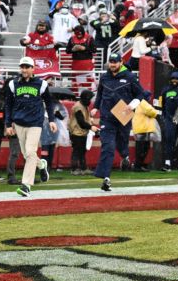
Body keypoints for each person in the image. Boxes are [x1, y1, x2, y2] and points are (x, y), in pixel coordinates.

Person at [3, 56, 59, 197]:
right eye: (22, 66)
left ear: (33, 69)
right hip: (19, 123)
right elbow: (8, 105)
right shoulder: (12, 84)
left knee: (29, 152)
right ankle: (41, 165)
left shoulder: (42, 84)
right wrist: (8, 124)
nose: (24, 69)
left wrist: (51, 120)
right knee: (27, 154)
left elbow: (49, 103)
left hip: (35, 123)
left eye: (27, 67)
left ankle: (26, 185)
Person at [93, 52, 146, 191]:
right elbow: (99, 94)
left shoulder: (129, 77)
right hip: (107, 117)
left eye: (115, 62)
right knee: (108, 146)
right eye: (110, 62)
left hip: (123, 114)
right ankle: (106, 178)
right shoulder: (104, 77)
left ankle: (125, 156)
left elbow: (141, 93)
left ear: (121, 62)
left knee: (122, 142)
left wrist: (133, 104)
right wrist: (95, 108)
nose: (112, 65)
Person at [131, 91, 161, 170]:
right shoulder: (143, 102)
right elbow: (151, 112)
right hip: (142, 128)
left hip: (139, 128)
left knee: (140, 147)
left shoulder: (137, 103)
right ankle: (138, 165)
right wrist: (156, 112)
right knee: (143, 147)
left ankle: (139, 164)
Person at [68, 90, 96, 174]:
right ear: (86, 98)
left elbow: (84, 120)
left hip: (82, 132)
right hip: (76, 132)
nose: (90, 101)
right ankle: (74, 169)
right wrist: (91, 127)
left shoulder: (84, 105)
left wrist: (90, 119)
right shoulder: (78, 107)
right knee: (76, 151)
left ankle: (83, 168)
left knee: (82, 151)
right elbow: (81, 122)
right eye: (89, 99)